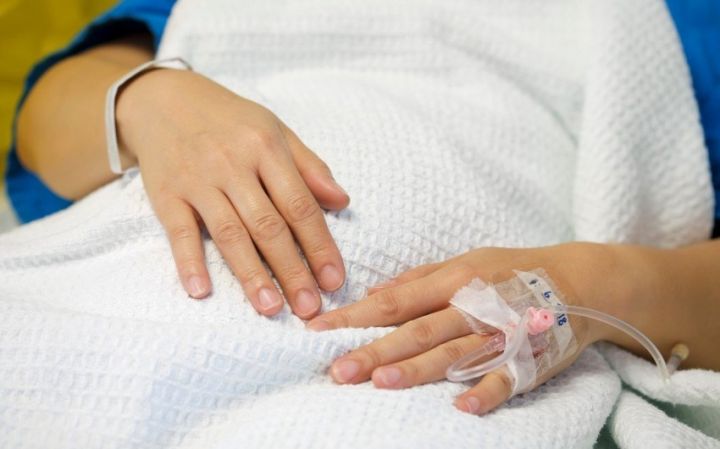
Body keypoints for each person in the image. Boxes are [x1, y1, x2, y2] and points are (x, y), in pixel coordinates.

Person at [6, 0, 720, 417]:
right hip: (111, 266)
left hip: (447, 363)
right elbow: (42, 122)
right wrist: (148, 99)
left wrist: (594, 289)